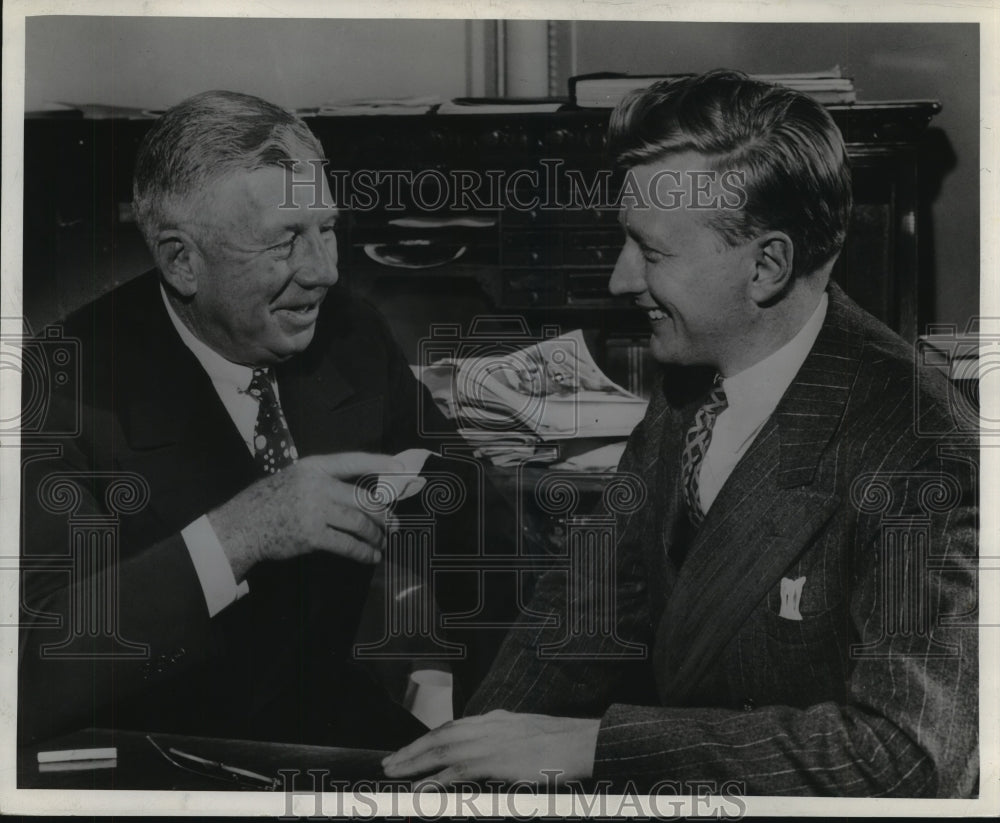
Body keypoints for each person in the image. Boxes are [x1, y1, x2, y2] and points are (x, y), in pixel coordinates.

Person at [381, 70, 979, 797]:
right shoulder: (690, 380)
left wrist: (601, 744)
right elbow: (588, 605)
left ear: (766, 266)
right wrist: (458, 761)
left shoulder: (916, 439)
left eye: (651, 253)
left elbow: (904, 754)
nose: (617, 280)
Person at [18, 90, 514, 749]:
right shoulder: (53, 386)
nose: (324, 272)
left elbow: (477, 521)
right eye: (285, 242)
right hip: (150, 747)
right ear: (180, 261)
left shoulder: (349, 334)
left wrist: (492, 722)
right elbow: (35, 665)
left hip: (319, 720)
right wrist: (246, 529)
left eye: (327, 229)